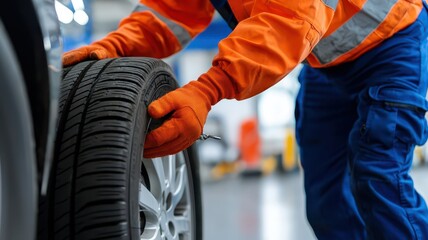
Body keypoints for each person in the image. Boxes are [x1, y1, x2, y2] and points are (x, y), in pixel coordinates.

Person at [63, 0, 428, 238]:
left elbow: (290, 20)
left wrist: (209, 89)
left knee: (378, 177)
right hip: (325, 67)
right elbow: (170, 12)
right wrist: (117, 46)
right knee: (326, 200)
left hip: (392, 49)